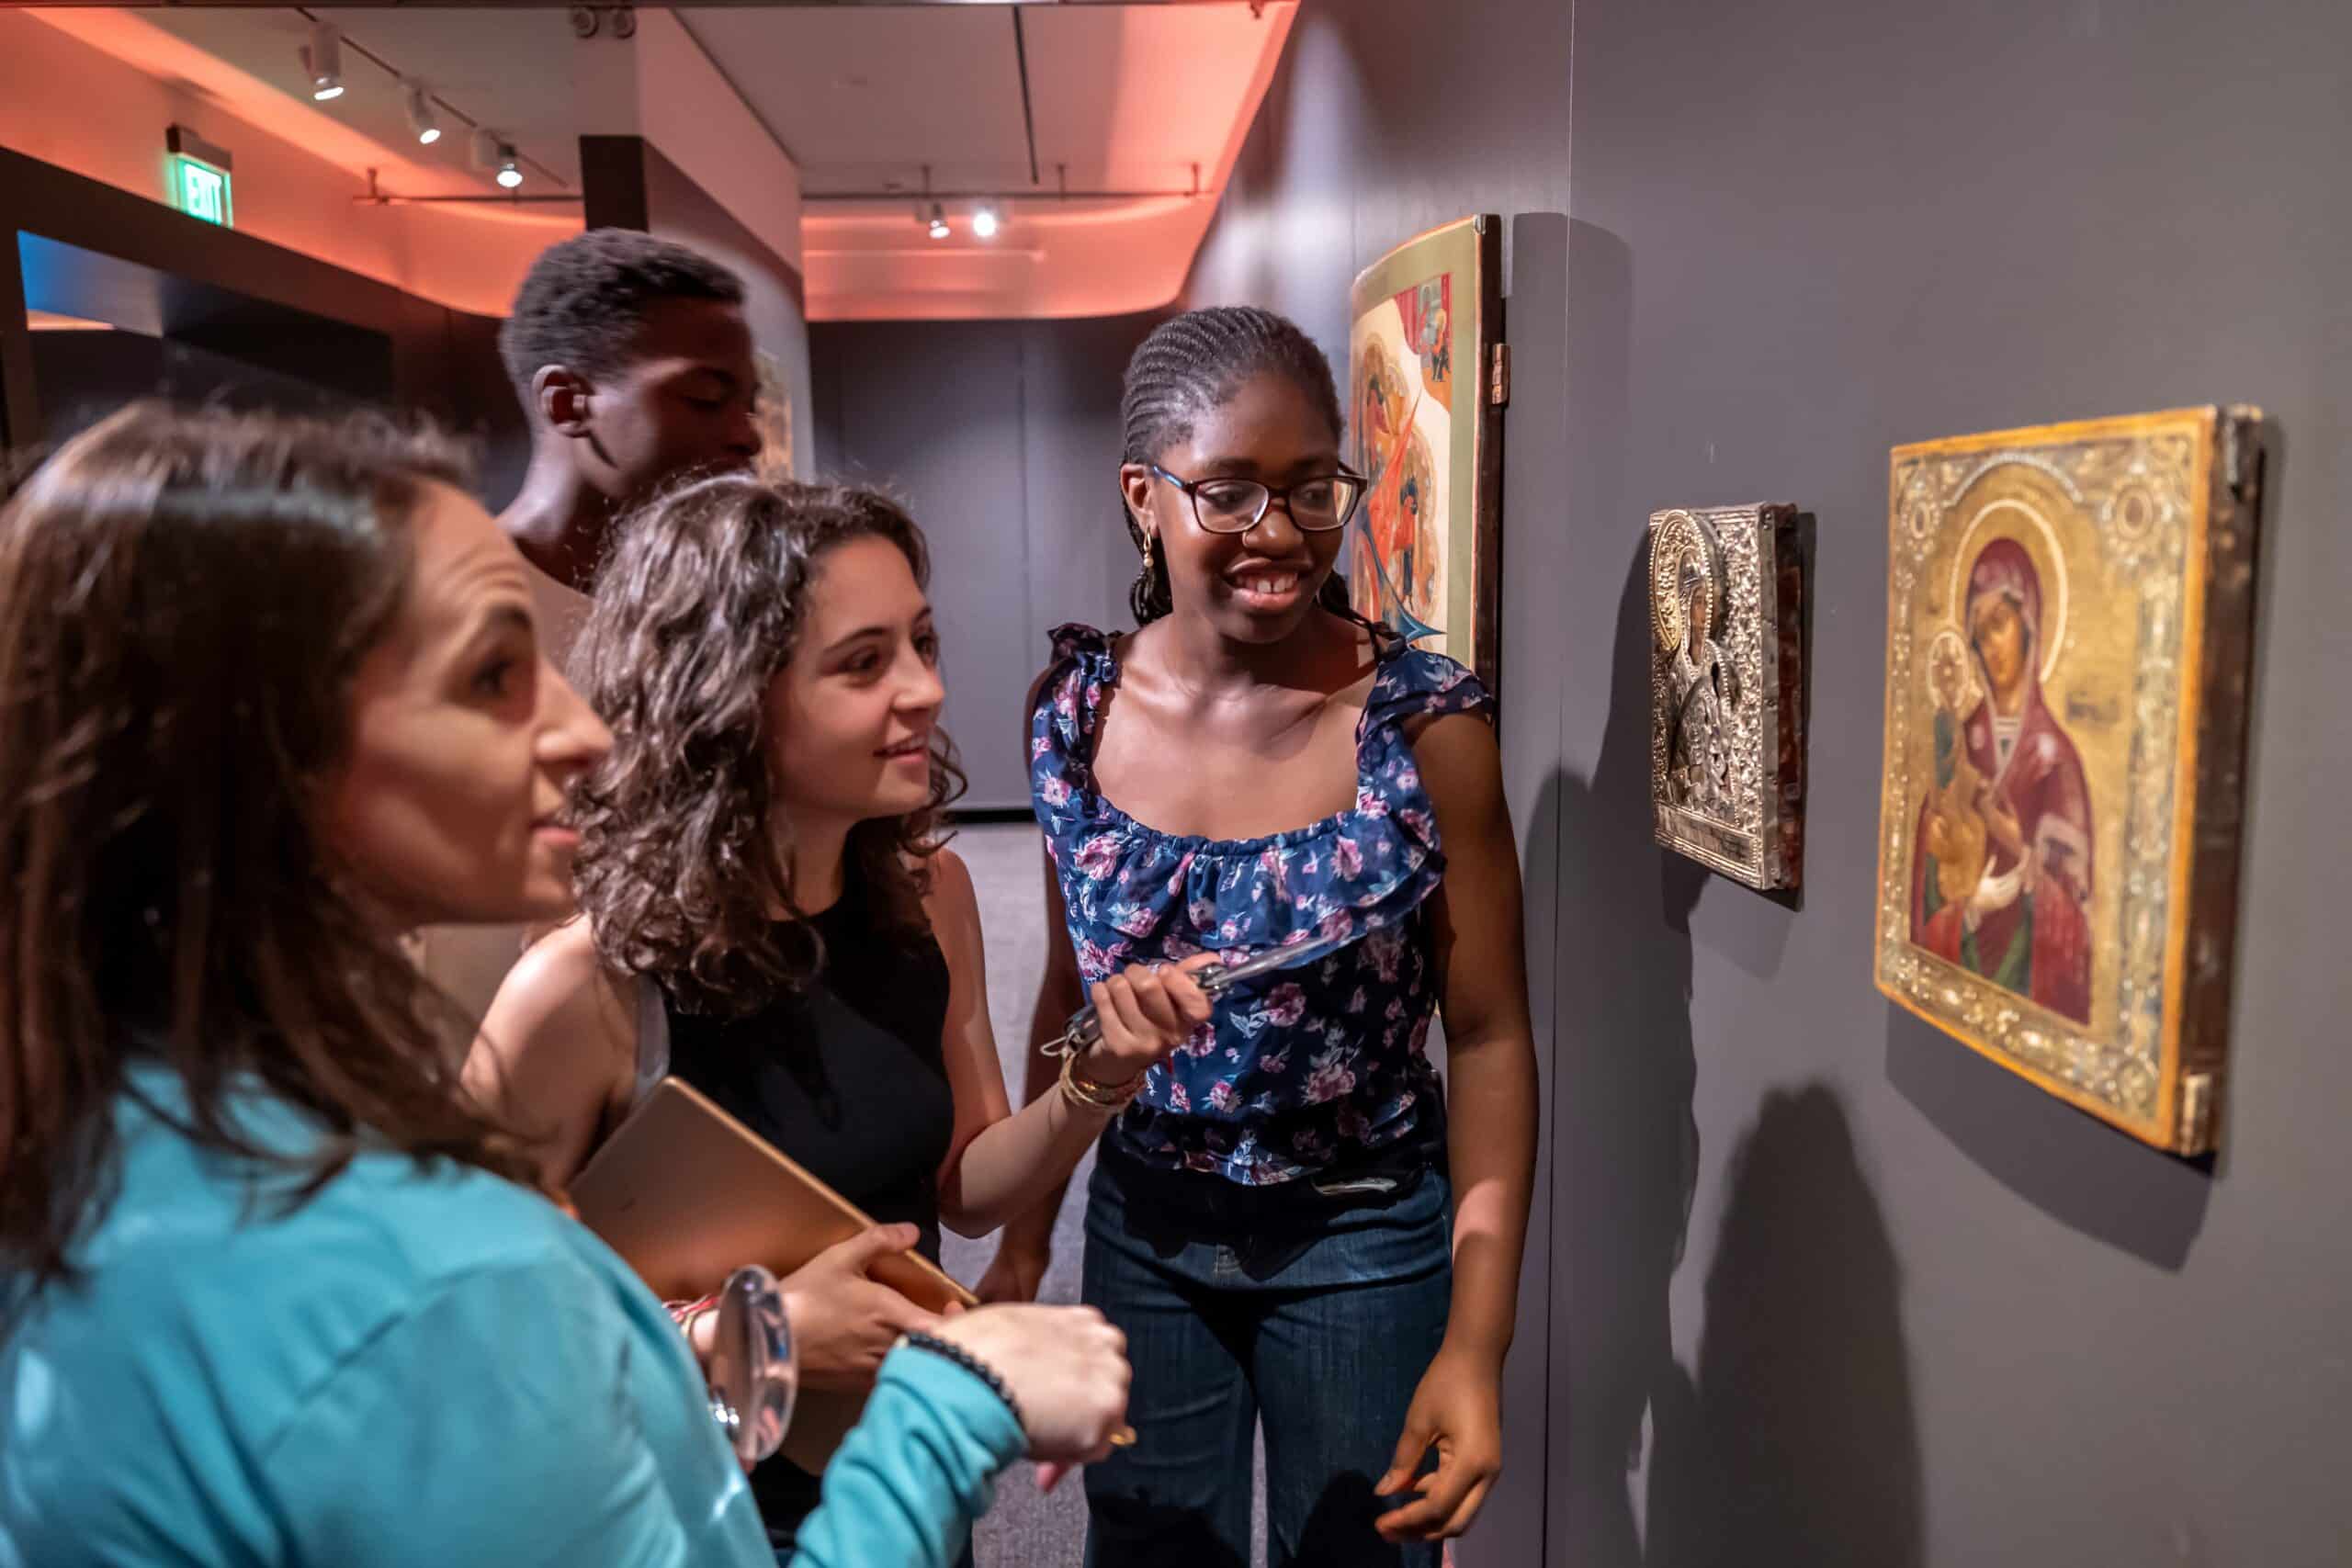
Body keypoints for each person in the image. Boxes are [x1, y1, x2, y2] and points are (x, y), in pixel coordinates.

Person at [0, 404, 1134, 1568]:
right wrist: (936, 1401)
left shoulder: (126, 1154)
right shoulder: (420, 1225)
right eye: (494, 674)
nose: (585, 731)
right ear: (267, 747)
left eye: (923, 644)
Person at [465, 473, 1213, 1554]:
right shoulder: (581, 989)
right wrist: (758, 1337)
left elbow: (961, 1190)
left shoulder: (931, 897)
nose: (924, 690)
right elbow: (463, 1338)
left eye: (922, 642)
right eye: (863, 664)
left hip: (896, 1482)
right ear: (729, 700)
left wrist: (1097, 1082)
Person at [983, 305, 1541, 1565]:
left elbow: (1492, 1031)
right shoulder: (1071, 713)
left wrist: (1478, 1338)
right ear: (1145, 496)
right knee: (1152, 1550)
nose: (1278, 534)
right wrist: (1025, 1240)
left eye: (1310, 488)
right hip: (1144, 1227)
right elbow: (1073, 988)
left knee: (1354, 1550)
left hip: (1363, 1234)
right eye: (1228, 492)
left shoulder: (1421, 728)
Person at [418, 228, 764, 1030]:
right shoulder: (432, 608)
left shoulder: (721, 617)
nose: (745, 432)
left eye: (748, 400)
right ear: (569, 403)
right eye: (707, 396)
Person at [1910, 536, 2094, 1021]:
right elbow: (1923, 881)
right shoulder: (1959, 743)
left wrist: (2030, 867)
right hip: (1965, 948)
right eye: (1980, 634)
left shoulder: (2056, 759)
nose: (1991, 646)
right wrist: (1969, 907)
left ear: (2028, 623)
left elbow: (2079, 910)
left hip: (2027, 982)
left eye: (2000, 625)